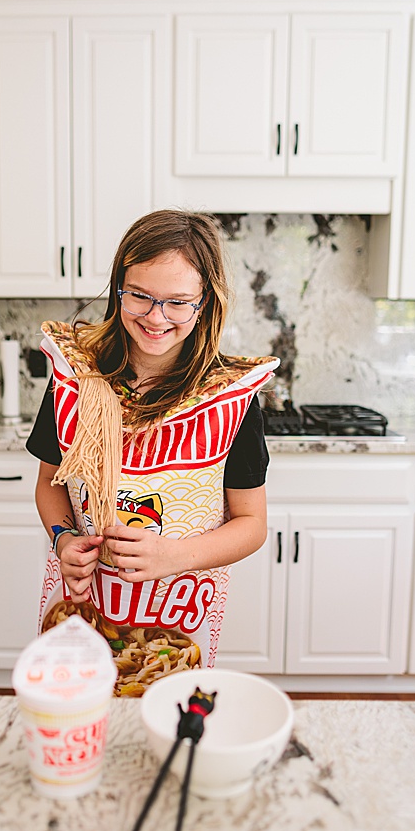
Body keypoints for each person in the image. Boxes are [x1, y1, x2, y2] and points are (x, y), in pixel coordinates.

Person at [27, 210, 277, 694]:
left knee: (162, 731)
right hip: (85, 607)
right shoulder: (75, 379)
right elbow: (48, 483)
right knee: (81, 719)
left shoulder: (230, 398)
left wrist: (172, 555)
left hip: (178, 620)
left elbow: (252, 524)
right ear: (119, 286)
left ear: (206, 302)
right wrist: (61, 539)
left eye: (178, 302)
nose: (156, 317)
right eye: (140, 295)